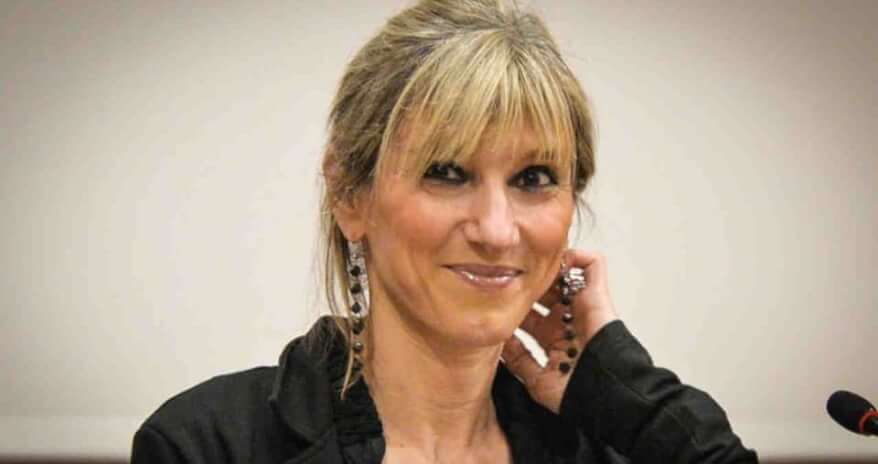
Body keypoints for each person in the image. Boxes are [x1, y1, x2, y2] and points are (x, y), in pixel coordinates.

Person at [132, 1, 758, 463]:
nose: (496, 230)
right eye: (447, 173)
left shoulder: (613, 448)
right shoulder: (206, 445)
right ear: (350, 195)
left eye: (534, 178)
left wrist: (634, 398)